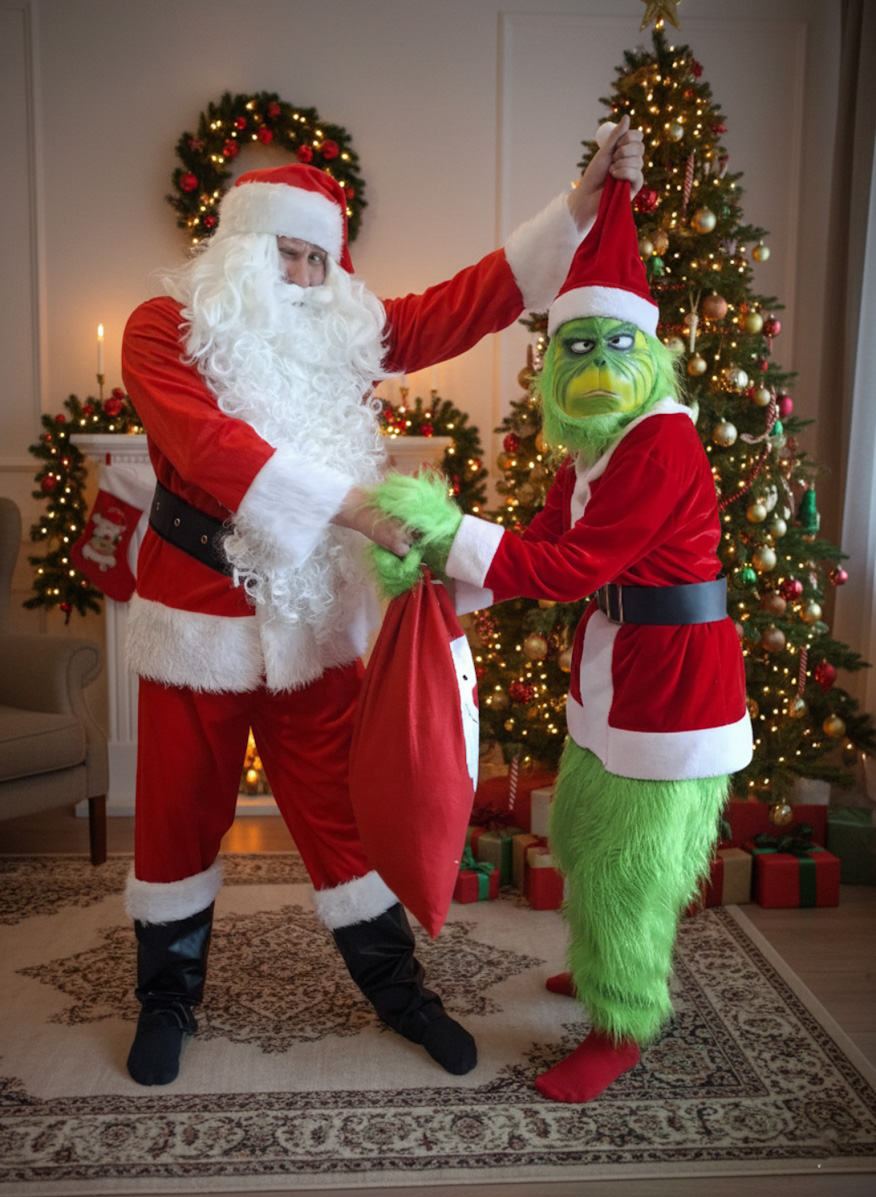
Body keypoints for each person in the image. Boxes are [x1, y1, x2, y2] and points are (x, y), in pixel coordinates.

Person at [119, 120, 645, 1088]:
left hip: (313, 624)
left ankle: (402, 994)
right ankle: (166, 999)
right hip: (196, 622)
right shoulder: (163, 328)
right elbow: (206, 448)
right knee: (175, 820)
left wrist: (578, 208)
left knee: (342, 818)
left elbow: (463, 305)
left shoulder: (343, 334)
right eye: (286, 252)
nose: (302, 277)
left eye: (319, 259)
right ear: (240, 248)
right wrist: (357, 507)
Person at [367, 127, 753, 1103]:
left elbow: (573, 566)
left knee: (630, 866)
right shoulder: (591, 446)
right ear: (555, 358)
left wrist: (448, 533)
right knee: (583, 832)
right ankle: (596, 965)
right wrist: (444, 581)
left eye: (618, 343)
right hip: (618, 666)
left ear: (648, 353)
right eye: (579, 343)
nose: (598, 359)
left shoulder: (659, 444)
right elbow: (542, 540)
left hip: (672, 682)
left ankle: (624, 1023)